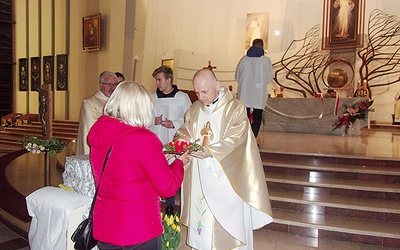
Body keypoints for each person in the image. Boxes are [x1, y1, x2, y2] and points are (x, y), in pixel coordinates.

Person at [177, 69, 273, 249]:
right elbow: (184, 132)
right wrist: (180, 144)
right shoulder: (194, 110)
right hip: (199, 176)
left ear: (217, 85)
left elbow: (236, 138)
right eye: (197, 92)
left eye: (204, 92)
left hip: (225, 176)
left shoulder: (235, 109)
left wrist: (211, 152)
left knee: (227, 228)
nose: (201, 97)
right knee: (202, 225)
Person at [88, 81, 189, 249]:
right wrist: (179, 162)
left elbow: (125, 167)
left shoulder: (100, 130)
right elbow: (167, 187)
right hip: (138, 229)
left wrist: (158, 158)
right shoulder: (143, 139)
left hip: (106, 226)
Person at [149, 65, 192, 215]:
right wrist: (153, 120)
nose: (157, 84)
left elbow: (189, 119)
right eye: (156, 80)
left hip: (173, 140)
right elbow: (143, 118)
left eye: (160, 80)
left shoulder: (182, 98)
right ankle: (154, 202)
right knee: (155, 170)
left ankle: (170, 204)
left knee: (171, 171)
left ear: (169, 80)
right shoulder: (152, 98)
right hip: (156, 140)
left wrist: (174, 123)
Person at [235, 38, 274, 139]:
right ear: (262, 47)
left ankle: (245, 139)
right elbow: (270, 77)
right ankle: (253, 138)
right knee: (257, 116)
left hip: (244, 92)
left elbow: (237, 77)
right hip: (258, 93)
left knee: (245, 117)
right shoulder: (265, 60)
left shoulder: (244, 60)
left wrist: (245, 84)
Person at [75, 71, 118, 156]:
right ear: (101, 85)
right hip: (97, 149)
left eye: (114, 85)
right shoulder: (89, 103)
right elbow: (91, 128)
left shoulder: (118, 102)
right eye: (108, 84)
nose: (112, 88)